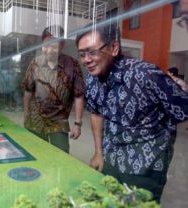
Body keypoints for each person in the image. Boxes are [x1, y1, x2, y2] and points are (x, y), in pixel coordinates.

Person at [75, 23, 188, 202]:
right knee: (110, 203)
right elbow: (96, 113)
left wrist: (178, 87)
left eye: (92, 52)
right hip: (111, 159)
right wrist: (98, 152)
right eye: (82, 54)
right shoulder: (92, 79)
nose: (86, 60)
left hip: (145, 167)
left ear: (114, 48)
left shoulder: (146, 74)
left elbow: (182, 109)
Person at [22, 25, 85, 153]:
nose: (49, 50)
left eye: (54, 46)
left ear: (62, 45)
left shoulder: (72, 65)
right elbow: (28, 91)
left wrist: (78, 124)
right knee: (36, 156)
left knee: (61, 157)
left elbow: (79, 96)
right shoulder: (35, 63)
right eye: (46, 46)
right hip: (36, 119)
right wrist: (26, 114)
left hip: (59, 121)